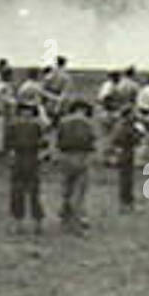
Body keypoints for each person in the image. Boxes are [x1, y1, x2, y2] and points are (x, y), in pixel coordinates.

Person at [5, 102, 47, 235]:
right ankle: (21, 223)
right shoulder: (22, 126)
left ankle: (35, 223)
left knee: (31, 192)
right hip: (22, 158)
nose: (26, 114)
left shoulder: (32, 126)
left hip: (29, 159)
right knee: (20, 193)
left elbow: (42, 144)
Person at [56, 99, 97, 233]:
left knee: (66, 188)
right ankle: (79, 218)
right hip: (82, 156)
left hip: (65, 156)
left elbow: (59, 140)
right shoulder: (89, 123)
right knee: (80, 191)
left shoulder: (63, 121)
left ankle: (65, 215)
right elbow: (92, 141)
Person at [0, 59, 16, 158]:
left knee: (6, 129)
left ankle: (5, 148)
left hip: (6, 109)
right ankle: (0, 149)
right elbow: (2, 96)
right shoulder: (1, 85)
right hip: (1, 109)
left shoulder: (5, 85)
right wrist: (12, 101)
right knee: (0, 129)